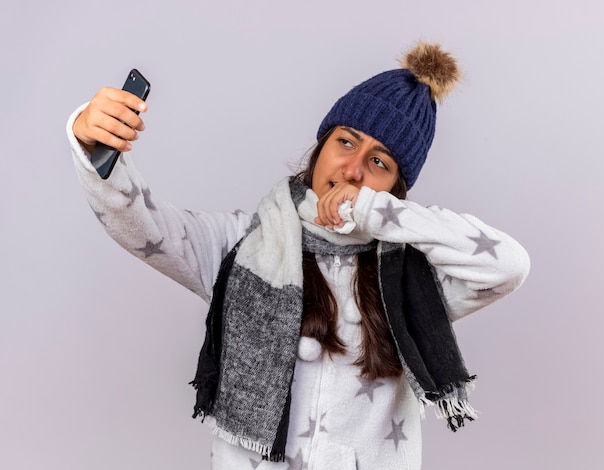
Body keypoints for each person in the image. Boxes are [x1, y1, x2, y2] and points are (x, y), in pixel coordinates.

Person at [67, 42, 530, 470]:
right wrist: (91, 142)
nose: (352, 168)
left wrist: (377, 214)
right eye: (345, 142)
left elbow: (508, 266)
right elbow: (142, 226)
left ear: (396, 189)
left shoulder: (413, 278)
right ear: (321, 147)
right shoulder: (244, 245)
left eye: (379, 162)